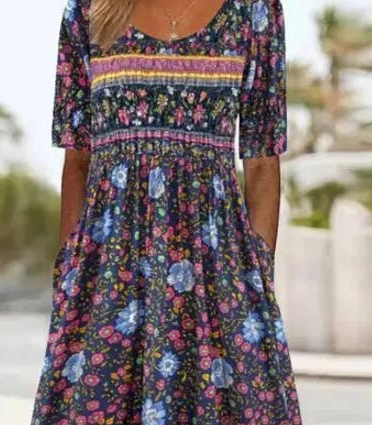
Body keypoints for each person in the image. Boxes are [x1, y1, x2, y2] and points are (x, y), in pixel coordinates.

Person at [31, 0, 303, 423]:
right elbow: (77, 159)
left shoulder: (255, 10)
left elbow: (263, 162)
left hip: (217, 270)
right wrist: (70, 269)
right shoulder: (87, 10)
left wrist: (256, 275)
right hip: (109, 272)